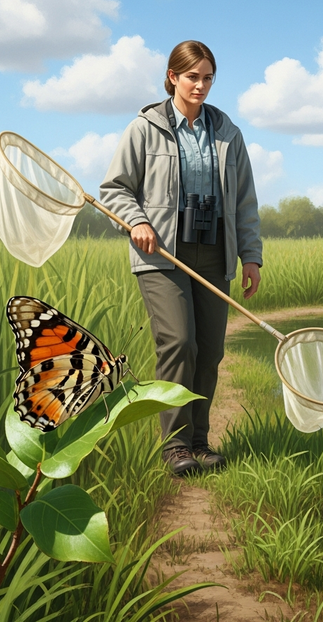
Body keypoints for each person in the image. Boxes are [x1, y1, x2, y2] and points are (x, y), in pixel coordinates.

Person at [101, 40, 262, 476]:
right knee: (179, 343)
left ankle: (199, 442)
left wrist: (250, 255)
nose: (201, 86)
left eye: (208, 78)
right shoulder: (144, 128)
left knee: (209, 351)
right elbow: (114, 189)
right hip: (161, 253)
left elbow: (245, 201)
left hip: (214, 251)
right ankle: (174, 446)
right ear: (172, 77)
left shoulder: (228, 132)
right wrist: (137, 221)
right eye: (192, 77)